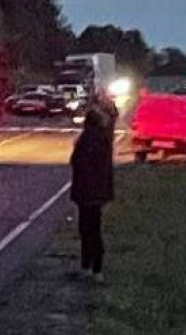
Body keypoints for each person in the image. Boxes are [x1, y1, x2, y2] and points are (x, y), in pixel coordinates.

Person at [70, 106, 115, 282]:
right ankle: (95, 268)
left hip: (85, 192)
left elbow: (76, 162)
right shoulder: (104, 140)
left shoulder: (85, 141)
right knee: (94, 230)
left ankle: (89, 266)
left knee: (86, 230)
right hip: (98, 193)